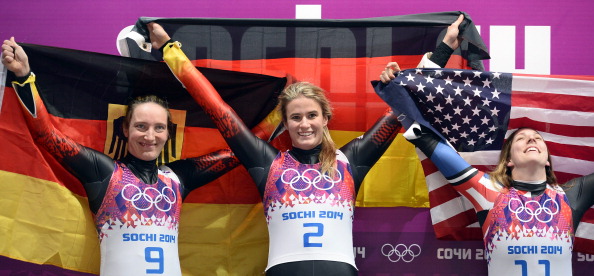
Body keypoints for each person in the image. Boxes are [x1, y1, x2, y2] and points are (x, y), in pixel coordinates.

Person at [144, 14, 466, 274]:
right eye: (295, 117)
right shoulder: (267, 164)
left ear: (325, 118)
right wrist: (169, 48)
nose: (304, 124)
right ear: (284, 122)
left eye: (312, 115)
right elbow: (218, 110)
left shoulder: (349, 161)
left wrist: (443, 50)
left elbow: (400, 109)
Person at [1, 37, 258, 276]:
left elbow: (242, 150)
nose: (150, 136)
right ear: (125, 129)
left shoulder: (178, 178)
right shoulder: (103, 173)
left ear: (169, 133)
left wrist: (277, 117)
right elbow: (47, 136)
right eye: (141, 126)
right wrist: (24, 76)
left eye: (159, 128)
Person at [378, 27, 594, 275]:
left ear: (548, 161)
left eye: (537, 138)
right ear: (509, 160)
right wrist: (436, 55)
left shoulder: (570, 195)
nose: (531, 139)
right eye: (521, 139)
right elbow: (428, 139)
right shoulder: (489, 191)